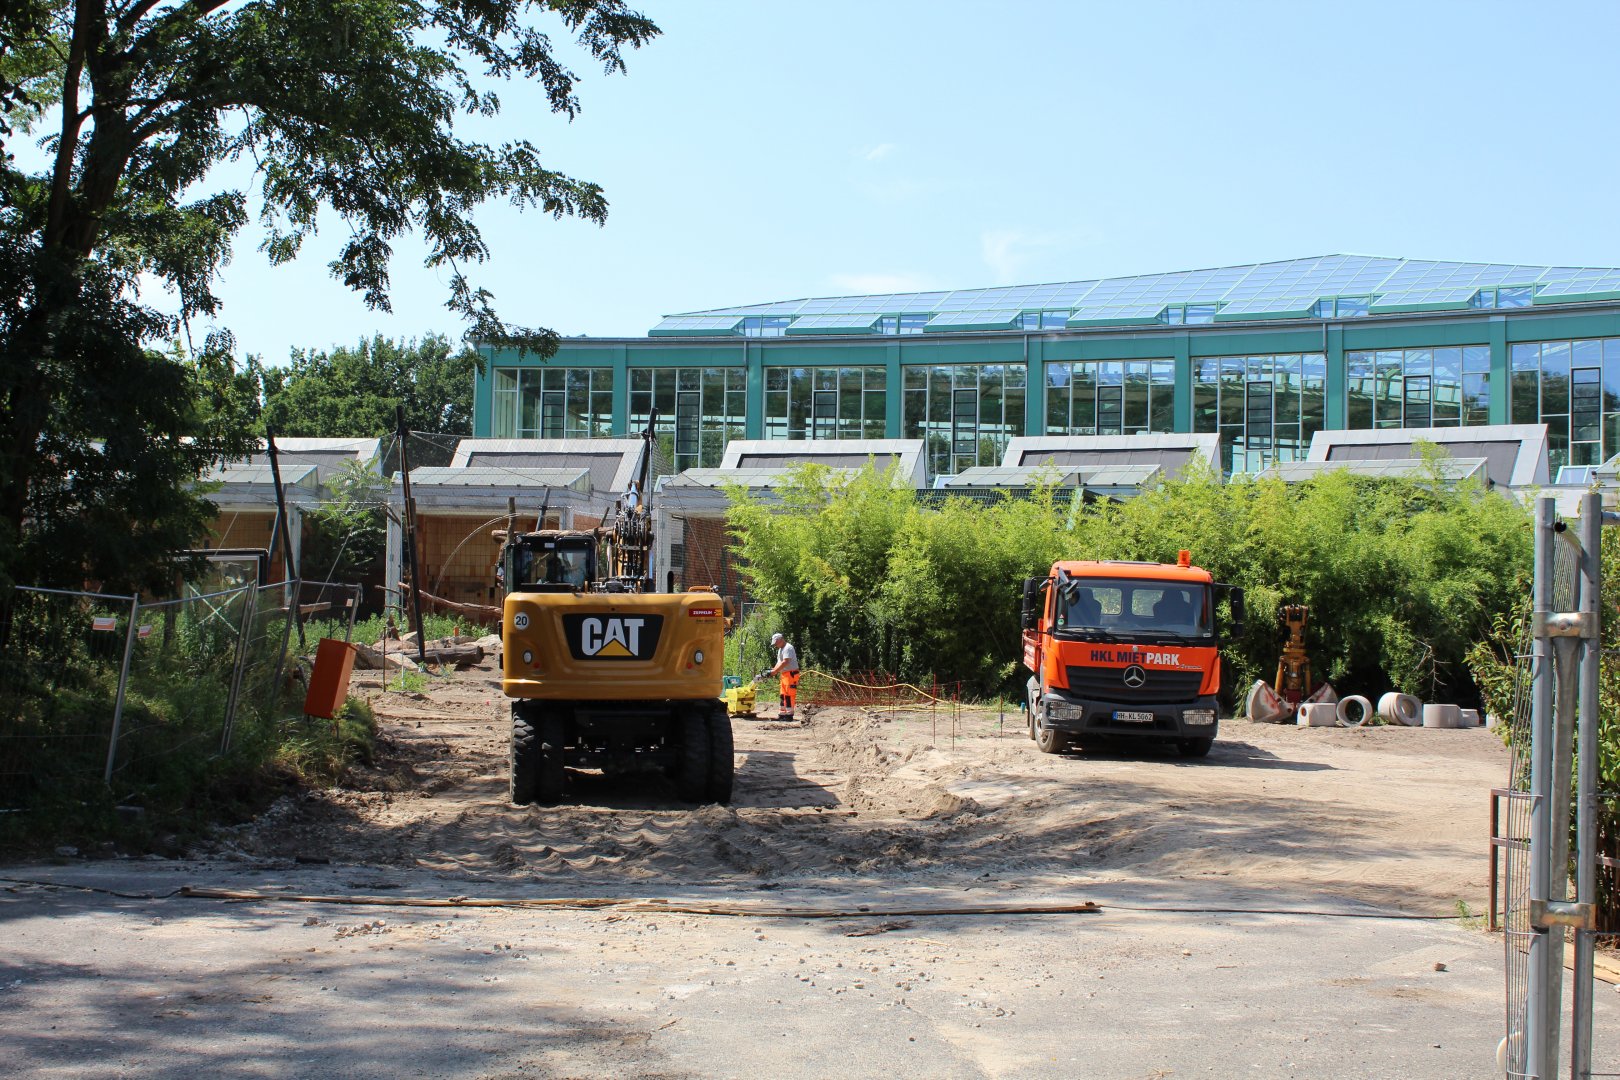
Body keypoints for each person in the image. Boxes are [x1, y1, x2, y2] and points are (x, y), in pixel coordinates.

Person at [759, 632, 800, 721]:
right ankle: (782, 714)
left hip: (791, 674)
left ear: (780, 640)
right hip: (785, 674)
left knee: (789, 695)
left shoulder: (788, 648)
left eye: (776, 643)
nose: (775, 645)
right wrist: (772, 671)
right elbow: (779, 663)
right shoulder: (781, 649)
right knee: (783, 694)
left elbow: (785, 662)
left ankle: (789, 715)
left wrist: (775, 671)